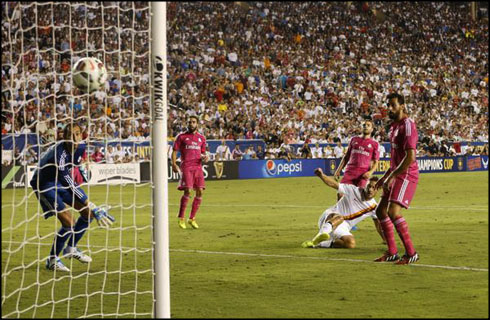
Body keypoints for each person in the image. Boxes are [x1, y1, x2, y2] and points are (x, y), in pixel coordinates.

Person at [30, 123, 115, 272]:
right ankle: (52, 260)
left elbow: (74, 171)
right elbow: (69, 183)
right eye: (70, 135)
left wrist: (83, 168)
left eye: (77, 134)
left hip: (59, 182)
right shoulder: (59, 155)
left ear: (81, 135)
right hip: (44, 184)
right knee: (69, 222)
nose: (74, 138)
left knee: (87, 214)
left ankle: (71, 248)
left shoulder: (81, 148)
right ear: (65, 137)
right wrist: (91, 203)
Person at [374, 93, 419, 264]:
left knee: (393, 212)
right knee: (380, 211)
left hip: (406, 174)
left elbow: (410, 158)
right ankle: (392, 252)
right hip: (395, 173)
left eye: (393, 105)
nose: (390, 109)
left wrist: (392, 176)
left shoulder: (408, 126)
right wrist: (383, 178)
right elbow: (395, 159)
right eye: (388, 105)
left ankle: (411, 253)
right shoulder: (393, 127)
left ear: (402, 106)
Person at [301, 168, 385, 249]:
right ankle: (320, 235)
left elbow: (378, 224)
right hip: (329, 217)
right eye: (368, 186)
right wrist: (321, 175)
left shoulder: (373, 207)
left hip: (342, 227)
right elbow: (334, 184)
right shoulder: (353, 190)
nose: (370, 189)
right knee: (340, 217)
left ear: (378, 189)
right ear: (365, 185)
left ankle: (319, 244)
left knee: (350, 243)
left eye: (373, 188)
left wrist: (385, 239)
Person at [171, 115, 209, 229]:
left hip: (198, 167)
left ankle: (192, 218)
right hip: (186, 166)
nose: (191, 124)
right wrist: (173, 163)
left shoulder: (201, 138)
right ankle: (181, 217)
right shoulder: (182, 137)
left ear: (197, 124)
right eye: (189, 122)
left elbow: (202, 153)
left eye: (193, 122)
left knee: (200, 191)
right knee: (187, 190)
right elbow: (174, 151)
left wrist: (204, 157)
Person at [334, 120, 380, 198]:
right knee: (340, 194)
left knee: (360, 197)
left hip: (363, 174)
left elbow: (376, 162)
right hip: (350, 172)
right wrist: (338, 170)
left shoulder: (374, 144)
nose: (365, 126)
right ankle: (343, 210)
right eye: (364, 125)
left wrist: (370, 172)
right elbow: (346, 157)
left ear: (372, 129)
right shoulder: (354, 140)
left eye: (368, 125)